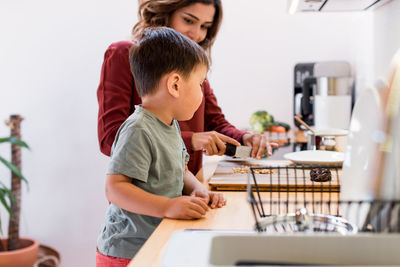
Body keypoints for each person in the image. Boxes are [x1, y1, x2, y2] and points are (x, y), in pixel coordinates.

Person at [97, 0, 276, 175]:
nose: (196, 34)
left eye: (205, 26)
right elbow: (111, 138)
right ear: (165, 13)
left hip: (190, 194)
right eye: (188, 20)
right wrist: (192, 140)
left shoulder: (192, 67)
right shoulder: (123, 53)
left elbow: (215, 123)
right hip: (145, 200)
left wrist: (243, 138)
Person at [96, 27, 226, 266]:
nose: (202, 93)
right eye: (199, 84)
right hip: (127, 251)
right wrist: (168, 206)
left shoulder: (170, 125)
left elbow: (180, 169)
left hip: (156, 239)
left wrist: (198, 189)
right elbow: (115, 189)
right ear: (175, 84)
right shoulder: (138, 129)